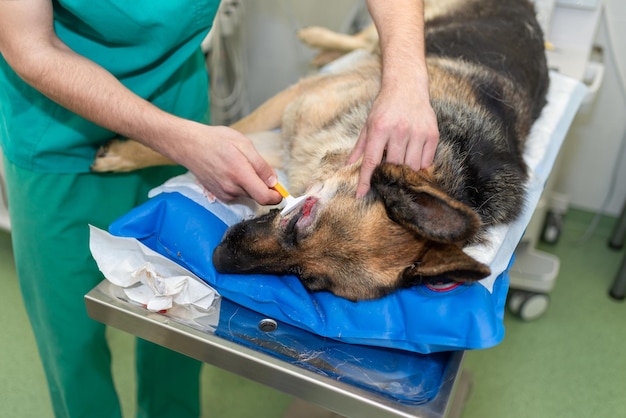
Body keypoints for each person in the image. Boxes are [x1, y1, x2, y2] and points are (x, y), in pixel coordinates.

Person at [0, 0, 438, 417]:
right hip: (58, 134)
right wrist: (178, 140)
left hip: (178, 103)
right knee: (72, 342)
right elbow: (29, 46)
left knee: (180, 326)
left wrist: (405, 81)